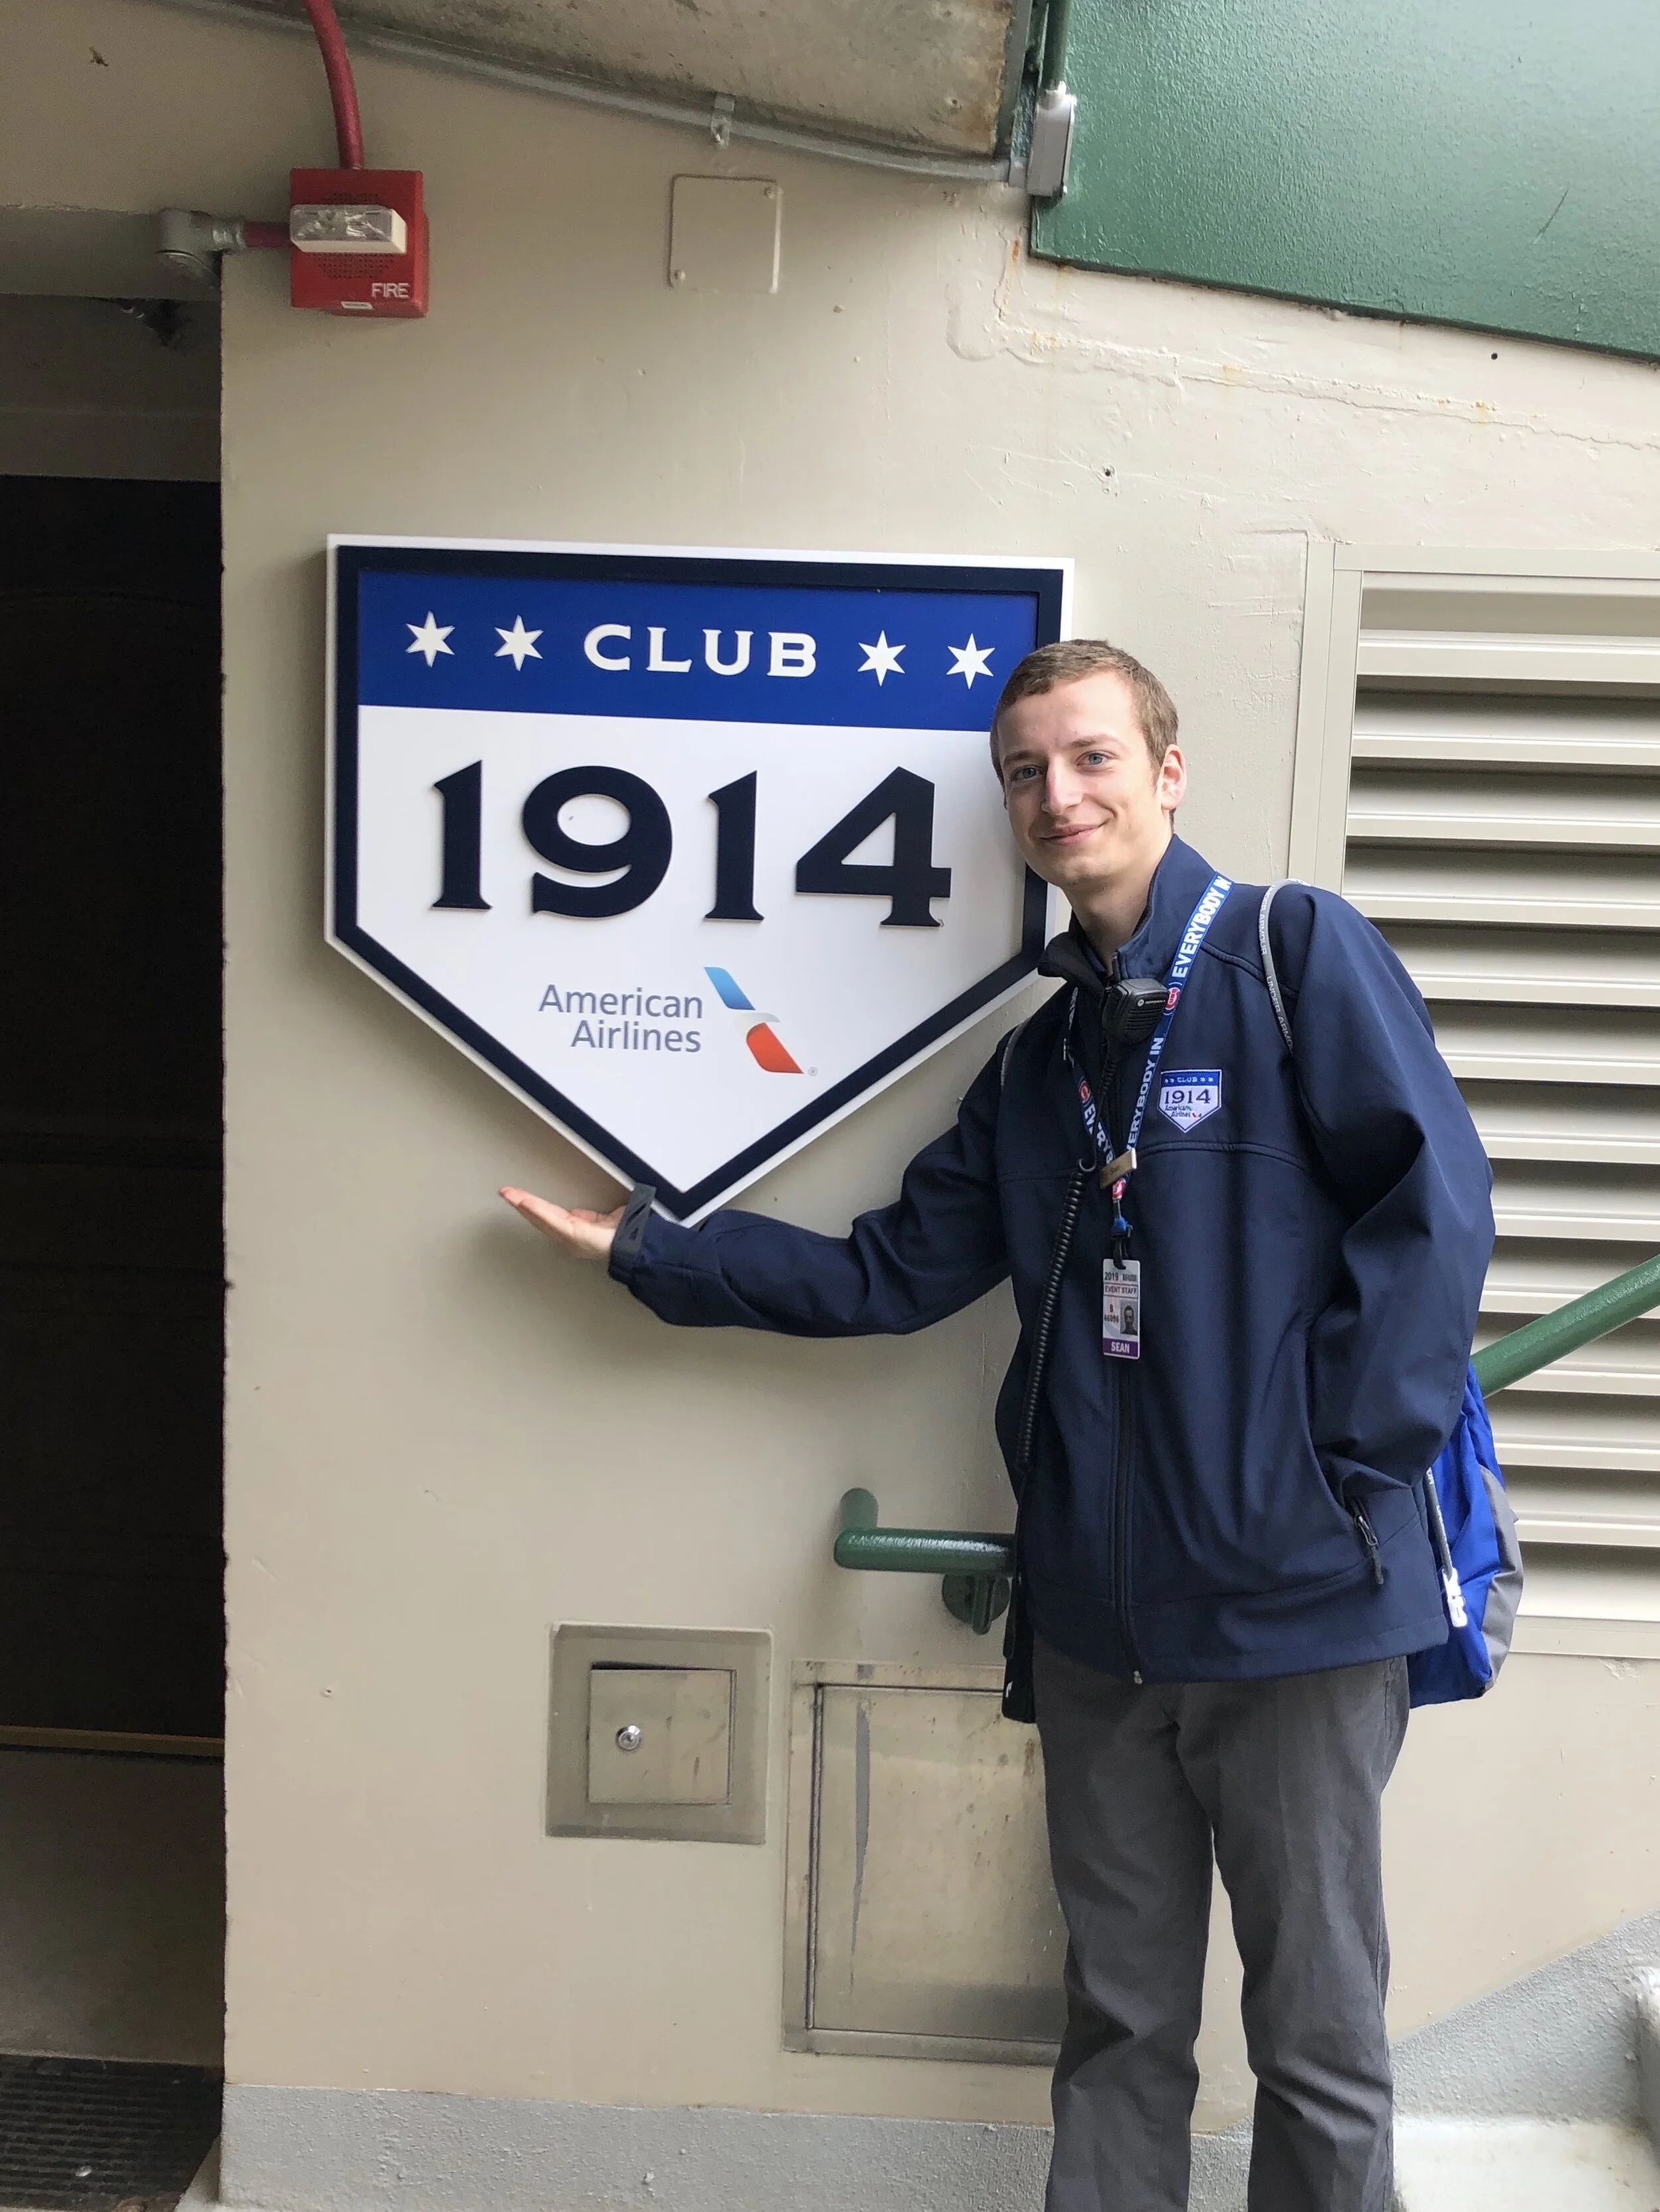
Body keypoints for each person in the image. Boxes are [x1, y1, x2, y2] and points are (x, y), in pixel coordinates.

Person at [501, 639, 1493, 2212]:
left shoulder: (1293, 957)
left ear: (1166, 772)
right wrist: (651, 1249)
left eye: (1092, 757)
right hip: (1099, 1634)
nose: (1057, 793)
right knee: (1113, 2027)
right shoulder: (1038, 1068)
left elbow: (1432, 1214)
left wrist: (1332, 1477)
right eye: (1025, 770)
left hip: (1299, 1616)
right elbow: (887, 1275)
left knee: (1314, 2036)